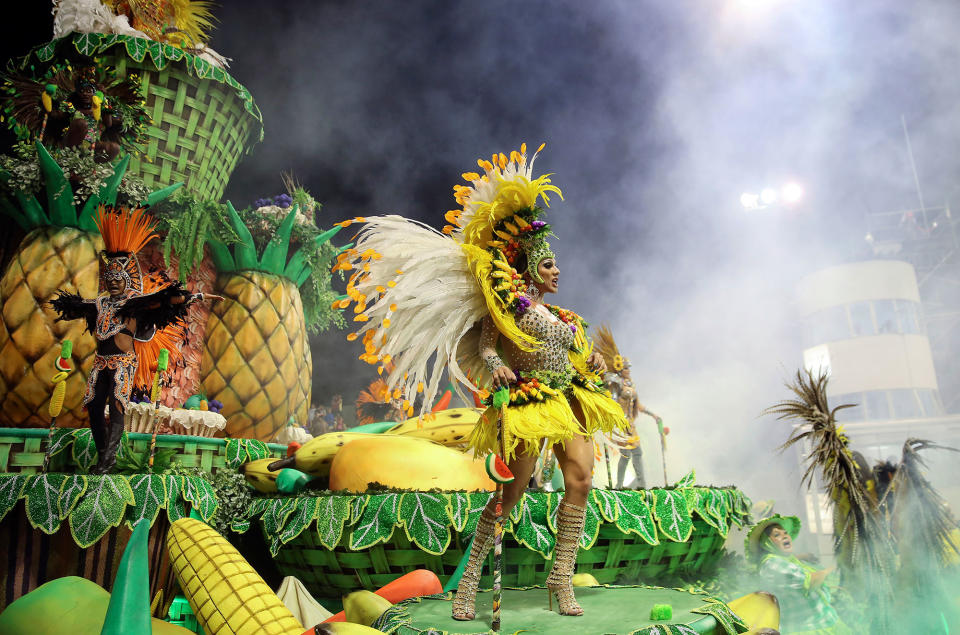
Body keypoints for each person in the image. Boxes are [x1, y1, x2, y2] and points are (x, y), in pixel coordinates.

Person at [336, 144, 628, 619]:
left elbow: (575, 358)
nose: (558, 272)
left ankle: (560, 578)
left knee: (582, 479)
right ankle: (470, 580)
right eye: (550, 265)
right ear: (530, 266)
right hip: (529, 404)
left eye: (556, 265)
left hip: (568, 399)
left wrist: (591, 365)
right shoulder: (508, 305)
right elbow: (489, 345)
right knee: (511, 493)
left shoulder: (561, 317)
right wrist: (495, 366)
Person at [50, 205, 220, 473]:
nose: (115, 282)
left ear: (127, 280)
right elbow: (77, 306)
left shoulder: (135, 303)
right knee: (94, 408)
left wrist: (196, 296)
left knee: (117, 409)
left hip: (122, 364)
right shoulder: (100, 303)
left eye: (120, 278)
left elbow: (166, 298)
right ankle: (106, 456)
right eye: (111, 278)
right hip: (100, 362)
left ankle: (107, 462)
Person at [746, 514, 853, 635]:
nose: (784, 536)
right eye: (776, 535)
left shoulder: (778, 560)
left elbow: (787, 564)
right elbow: (811, 582)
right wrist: (835, 567)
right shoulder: (771, 564)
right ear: (766, 543)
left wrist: (803, 556)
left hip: (823, 622)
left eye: (785, 533)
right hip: (809, 628)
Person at [594, 325, 660, 489]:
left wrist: (653, 415)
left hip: (631, 424)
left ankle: (641, 484)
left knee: (637, 453)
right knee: (626, 455)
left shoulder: (631, 384)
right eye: (626, 368)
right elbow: (612, 402)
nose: (628, 370)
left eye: (629, 368)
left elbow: (638, 405)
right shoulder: (615, 383)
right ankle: (619, 486)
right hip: (622, 424)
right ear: (620, 370)